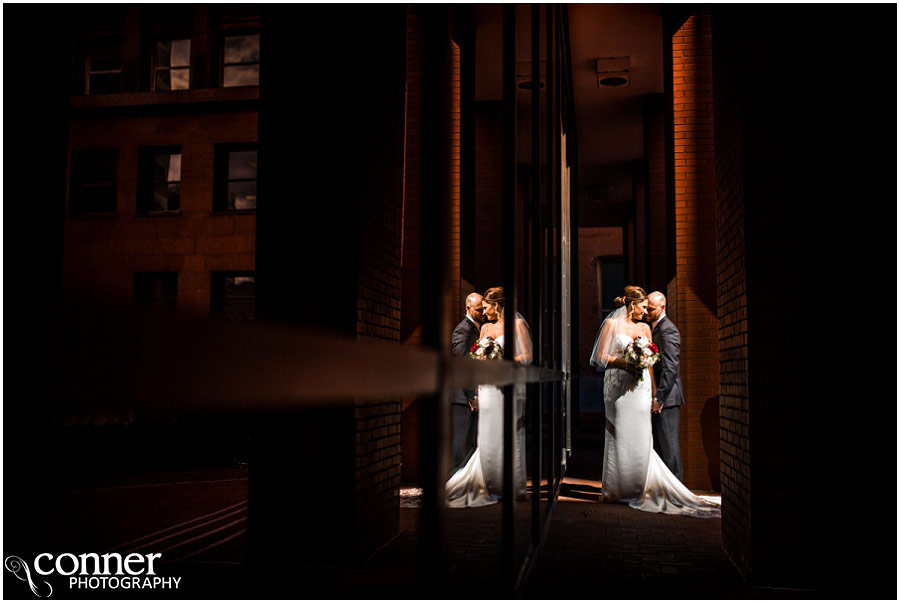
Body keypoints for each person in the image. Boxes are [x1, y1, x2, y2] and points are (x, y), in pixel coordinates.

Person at [590, 286, 718, 517]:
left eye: (649, 308)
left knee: (642, 436)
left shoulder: (645, 328)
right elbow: (600, 357)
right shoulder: (612, 325)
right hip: (618, 387)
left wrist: (653, 393)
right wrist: (626, 363)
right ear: (632, 305)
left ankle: (640, 487)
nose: (646, 311)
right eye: (643, 307)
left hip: (640, 388)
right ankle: (618, 488)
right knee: (618, 433)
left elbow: (650, 363)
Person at [446, 287, 532, 508]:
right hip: (488, 388)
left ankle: (510, 483)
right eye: (481, 308)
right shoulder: (484, 328)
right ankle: (490, 481)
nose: (484, 312)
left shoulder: (518, 325)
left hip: (507, 385)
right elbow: (474, 357)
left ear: (497, 306)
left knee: (509, 432)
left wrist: (503, 357)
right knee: (487, 433)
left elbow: (526, 357)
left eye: (486, 307)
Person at [645, 291, 684, 481]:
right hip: (661, 397)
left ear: (663, 307)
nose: (647, 311)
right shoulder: (656, 328)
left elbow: (670, 367)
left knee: (670, 448)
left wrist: (659, 397)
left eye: (651, 308)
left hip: (667, 398)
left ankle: (676, 492)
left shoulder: (668, 330)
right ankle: (666, 491)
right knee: (662, 447)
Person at [449, 292, 484, 472]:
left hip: (471, 394)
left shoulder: (477, 328)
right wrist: (471, 395)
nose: (482, 312)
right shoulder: (463, 329)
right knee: (461, 444)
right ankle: (455, 482)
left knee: (469, 443)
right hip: (463, 396)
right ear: (468, 308)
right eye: (478, 310)